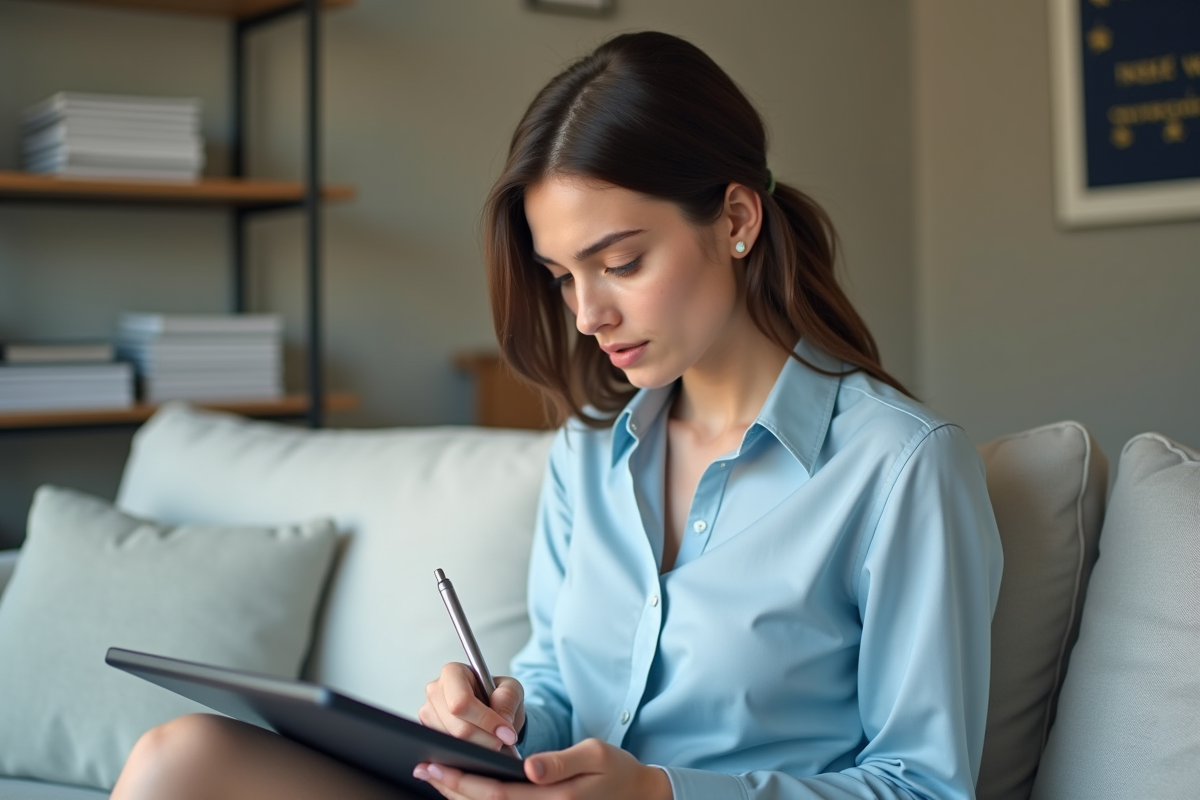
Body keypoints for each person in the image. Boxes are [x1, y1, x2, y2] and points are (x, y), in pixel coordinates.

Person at [111, 30, 1002, 800]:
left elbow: (924, 783)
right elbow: (562, 688)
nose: (587, 315)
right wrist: (502, 715)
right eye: (563, 277)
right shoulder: (589, 454)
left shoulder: (900, 468)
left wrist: (659, 793)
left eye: (620, 262)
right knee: (179, 757)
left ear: (736, 217)